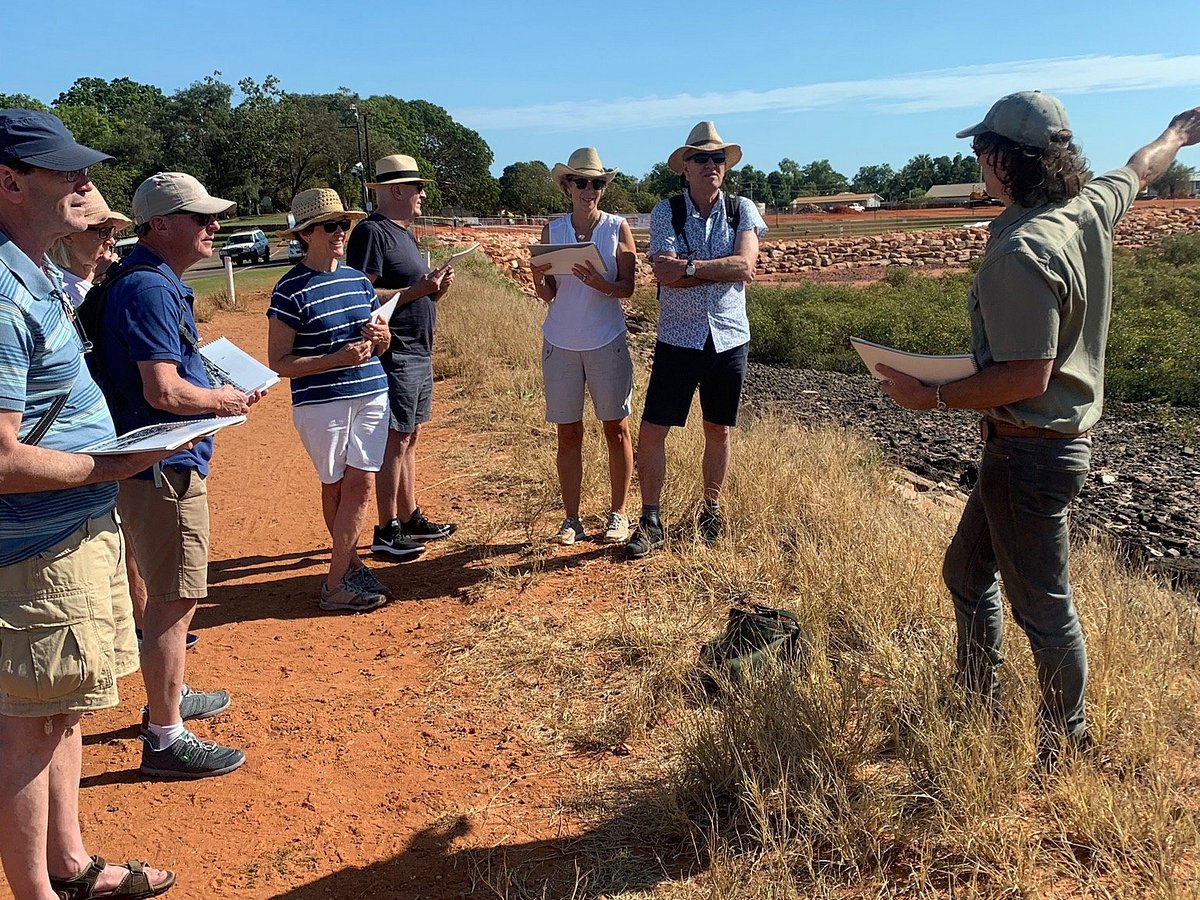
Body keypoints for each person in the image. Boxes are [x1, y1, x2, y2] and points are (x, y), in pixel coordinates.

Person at [878, 93, 1200, 766]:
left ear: (1003, 159)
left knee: (1044, 608)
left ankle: (1067, 741)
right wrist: (1179, 130)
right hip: (1034, 451)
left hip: (1030, 453)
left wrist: (927, 396)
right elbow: (1142, 168)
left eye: (979, 151)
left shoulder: (1020, 253)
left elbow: (1027, 375)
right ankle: (974, 699)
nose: (976, 163)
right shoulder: (1083, 208)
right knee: (966, 574)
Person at [0, 109, 175, 900]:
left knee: (63, 709)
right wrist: (112, 461)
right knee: (31, 725)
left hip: (72, 527)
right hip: (33, 548)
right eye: (64, 171)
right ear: (7, 182)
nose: (83, 183)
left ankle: (69, 865)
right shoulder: (2, 293)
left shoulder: (30, 264)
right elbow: (0, 457)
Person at [98, 171, 263, 779]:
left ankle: (166, 698)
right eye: (201, 218)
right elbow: (163, 390)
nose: (213, 227)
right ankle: (165, 735)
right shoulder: (148, 288)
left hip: (153, 461)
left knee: (159, 588)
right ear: (160, 225)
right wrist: (226, 399)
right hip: (163, 463)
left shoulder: (146, 280)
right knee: (176, 594)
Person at [46, 187, 200, 654]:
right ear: (63, 239)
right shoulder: (57, 293)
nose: (111, 237)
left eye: (113, 228)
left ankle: (141, 637)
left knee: (131, 546)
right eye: (98, 229)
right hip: (96, 446)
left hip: (113, 442)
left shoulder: (106, 285)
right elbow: (159, 387)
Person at [626, 121, 767, 559]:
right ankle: (651, 518)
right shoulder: (667, 210)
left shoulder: (743, 209)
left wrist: (688, 269)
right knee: (653, 430)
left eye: (717, 158)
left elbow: (744, 268)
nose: (711, 165)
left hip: (728, 337)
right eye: (702, 158)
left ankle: (711, 508)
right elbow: (661, 271)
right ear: (685, 167)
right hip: (679, 337)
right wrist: (708, 269)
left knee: (719, 429)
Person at [268, 188, 404, 612]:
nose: (341, 232)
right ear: (306, 234)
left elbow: (379, 345)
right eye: (331, 226)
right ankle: (348, 568)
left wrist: (383, 340)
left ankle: (334, 581)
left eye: (344, 224)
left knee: (361, 484)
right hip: (321, 401)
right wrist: (335, 359)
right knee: (337, 485)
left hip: (371, 394)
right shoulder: (289, 290)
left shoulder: (358, 280)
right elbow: (279, 362)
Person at [346, 154, 458, 555]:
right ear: (396, 190)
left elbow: (408, 289)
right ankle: (386, 527)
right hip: (396, 352)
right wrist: (418, 291)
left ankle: (410, 516)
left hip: (417, 350)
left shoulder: (403, 232)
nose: (422, 195)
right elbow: (360, 295)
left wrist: (434, 289)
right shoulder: (371, 234)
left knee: (409, 435)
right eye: (416, 188)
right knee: (395, 437)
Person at [529, 148, 637, 545]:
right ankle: (571, 519)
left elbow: (628, 288)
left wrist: (601, 285)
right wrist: (537, 277)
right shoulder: (552, 232)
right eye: (581, 182)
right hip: (560, 342)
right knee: (568, 432)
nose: (588, 190)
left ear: (603, 189)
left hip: (606, 339)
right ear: (567, 186)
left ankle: (619, 514)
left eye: (596, 183)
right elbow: (549, 294)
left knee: (617, 429)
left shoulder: (617, 228)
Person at [46, 184, 129, 307]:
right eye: (104, 232)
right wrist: (102, 283)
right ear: (68, 236)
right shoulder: (55, 289)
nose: (111, 241)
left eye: (112, 231)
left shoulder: (110, 272)